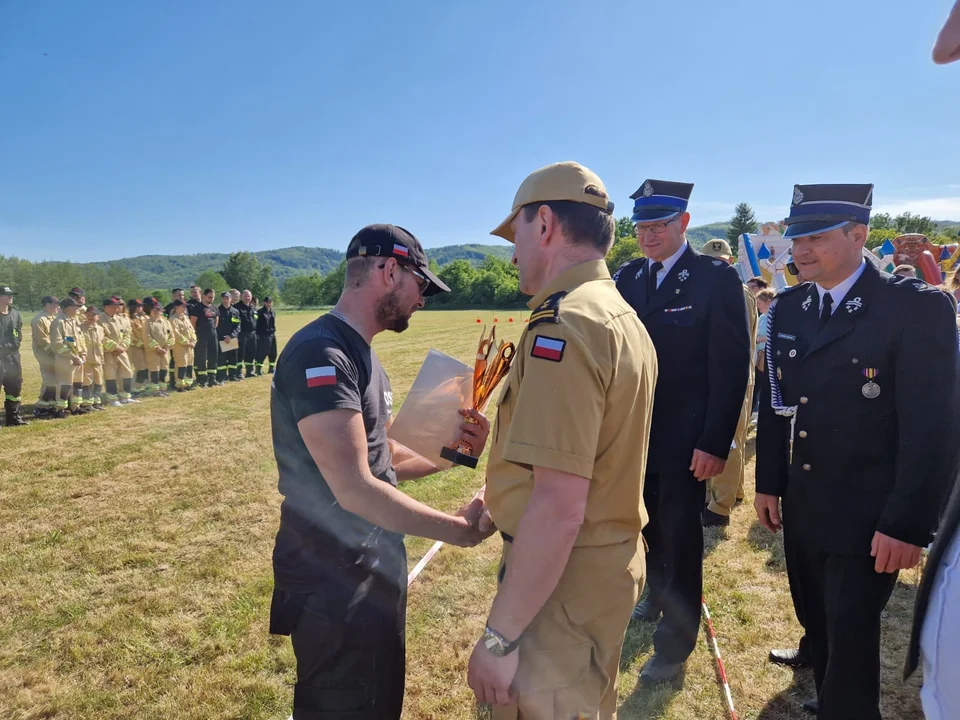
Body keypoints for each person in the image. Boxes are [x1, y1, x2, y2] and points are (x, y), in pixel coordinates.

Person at [267, 223, 490, 720]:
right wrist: (457, 531)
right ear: (390, 271)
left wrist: (453, 454)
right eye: (421, 285)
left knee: (377, 700)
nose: (423, 299)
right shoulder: (321, 353)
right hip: (335, 577)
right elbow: (354, 487)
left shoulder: (361, 352)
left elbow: (380, 456)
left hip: (371, 566)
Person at [755, 183, 958, 719]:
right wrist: (769, 482)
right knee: (818, 623)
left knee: (850, 638)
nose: (800, 248)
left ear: (858, 235)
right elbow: (778, 405)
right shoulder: (791, 309)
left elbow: (933, 428)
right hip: (805, 503)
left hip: (870, 514)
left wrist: (909, 523)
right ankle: (833, 700)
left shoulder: (913, 308)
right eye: (796, 236)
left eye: (815, 236)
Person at [464, 162, 656, 718]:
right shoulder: (616, 312)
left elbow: (559, 504)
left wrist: (500, 638)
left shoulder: (563, 326)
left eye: (516, 233)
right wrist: (504, 495)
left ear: (544, 223)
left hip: (562, 584)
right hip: (596, 569)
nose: (513, 251)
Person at [613, 179, 750, 684]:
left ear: (684, 223)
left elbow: (731, 368)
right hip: (632, 435)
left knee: (681, 533)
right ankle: (655, 590)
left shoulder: (714, 280)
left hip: (685, 437)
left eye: (659, 225)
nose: (648, 235)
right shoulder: (626, 277)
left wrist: (714, 442)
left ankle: (674, 646)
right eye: (641, 226)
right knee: (645, 525)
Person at [698, 240, 757, 527]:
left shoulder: (736, 291)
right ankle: (736, 491)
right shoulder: (720, 289)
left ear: (730, 261)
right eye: (712, 261)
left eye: (721, 261)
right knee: (736, 436)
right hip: (724, 375)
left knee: (730, 439)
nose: (717, 265)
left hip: (734, 376)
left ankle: (719, 507)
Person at [50, 297, 87, 417]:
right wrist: (72, 356)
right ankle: (59, 409)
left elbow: (80, 339)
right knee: (65, 385)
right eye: (76, 307)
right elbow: (58, 344)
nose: (78, 309)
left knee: (77, 384)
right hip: (65, 360)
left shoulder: (74, 321)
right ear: (69, 307)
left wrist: (83, 353)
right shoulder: (58, 322)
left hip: (78, 359)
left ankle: (75, 407)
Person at [101, 297, 137, 406]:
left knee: (127, 372)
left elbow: (127, 334)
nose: (116, 309)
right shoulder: (99, 320)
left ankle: (125, 396)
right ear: (106, 307)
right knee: (110, 375)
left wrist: (123, 346)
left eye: (117, 307)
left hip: (122, 351)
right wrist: (114, 347)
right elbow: (101, 337)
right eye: (114, 307)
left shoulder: (120, 319)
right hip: (109, 353)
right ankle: (113, 399)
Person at [0, 286, 28, 427]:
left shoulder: (15, 314)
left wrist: (15, 344)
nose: (11, 297)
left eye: (12, 295)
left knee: (15, 387)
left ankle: (13, 417)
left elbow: (18, 332)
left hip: (12, 357)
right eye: (7, 295)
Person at [31, 295, 60, 418]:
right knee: (49, 380)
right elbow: (42, 340)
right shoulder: (40, 319)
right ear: (47, 304)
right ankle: (41, 408)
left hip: (53, 354)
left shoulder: (52, 318)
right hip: (45, 354)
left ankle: (50, 406)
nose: (57, 307)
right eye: (55, 304)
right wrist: (55, 352)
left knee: (54, 380)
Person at [142, 298, 172, 397]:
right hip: (154, 351)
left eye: (157, 309)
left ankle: (163, 389)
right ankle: (155, 390)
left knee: (164, 370)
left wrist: (167, 347)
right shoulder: (148, 322)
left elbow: (172, 336)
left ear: (161, 311)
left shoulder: (166, 322)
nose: (155, 311)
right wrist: (157, 348)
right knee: (155, 370)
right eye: (153, 309)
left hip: (165, 351)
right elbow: (147, 337)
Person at [190, 289, 220, 387]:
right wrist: (197, 333)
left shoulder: (214, 308)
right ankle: (202, 380)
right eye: (209, 297)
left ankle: (212, 378)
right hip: (201, 336)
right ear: (204, 296)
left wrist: (212, 330)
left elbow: (216, 321)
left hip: (213, 335)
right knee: (201, 358)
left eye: (213, 297)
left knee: (213, 357)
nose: (211, 299)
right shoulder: (197, 308)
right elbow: (192, 322)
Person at [80, 306, 107, 411]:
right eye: (88, 315)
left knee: (98, 381)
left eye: (92, 315)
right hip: (88, 360)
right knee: (87, 382)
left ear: (98, 317)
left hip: (99, 360)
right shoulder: (81, 327)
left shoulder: (100, 329)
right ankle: (86, 404)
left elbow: (102, 342)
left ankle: (97, 402)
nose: (89, 317)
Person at [169, 300, 197, 391]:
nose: (185, 308)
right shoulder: (173, 319)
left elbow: (192, 331)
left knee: (189, 365)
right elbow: (176, 334)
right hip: (180, 347)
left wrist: (193, 341)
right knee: (181, 365)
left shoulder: (186, 318)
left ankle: (188, 384)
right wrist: (187, 342)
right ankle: (179, 385)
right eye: (183, 306)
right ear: (176, 307)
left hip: (190, 347)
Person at [216, 292, 241, 383]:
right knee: (221, 360)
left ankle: (232, 376)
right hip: (221, 339)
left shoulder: (235, 311)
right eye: (223, 298)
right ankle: (221, 377)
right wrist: (224, 337)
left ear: (231, 299)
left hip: (232, 339)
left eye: (227, 298)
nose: (225, 300)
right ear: (221, 299)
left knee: (233, 358)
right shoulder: (217, 311)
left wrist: (231, 336)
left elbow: (238, 326)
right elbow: (216, 326)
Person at [234, 290, 258, 378]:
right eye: (245, 296)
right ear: (241, 297)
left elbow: (256, 320)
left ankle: (249, 371)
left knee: (251, 352)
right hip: (241, 333)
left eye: (249, 296)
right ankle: (238, 372)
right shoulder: (236, 308)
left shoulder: (253, 308)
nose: (247, 298)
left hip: (252, 334)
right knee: (240, 353)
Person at [256, 296, 277, 375]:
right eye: (267, 302)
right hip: (263, 335)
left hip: (272, 334)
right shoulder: (260, 312)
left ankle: (271, 368)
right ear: (264, 303)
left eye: (270, 302)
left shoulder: (272, 312)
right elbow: (257, 325)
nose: (269, 304)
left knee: (273, 352)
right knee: (263, 352)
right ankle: (258, 369)